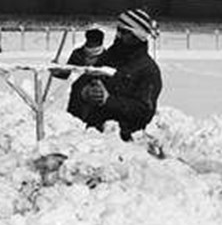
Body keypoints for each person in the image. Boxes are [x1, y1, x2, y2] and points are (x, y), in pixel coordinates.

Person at [63, 9, 162, 142]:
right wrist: (85, 93)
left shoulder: (148, 69)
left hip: (126, 145)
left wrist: (108, 101)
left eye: (125, 32)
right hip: (92, 139)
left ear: (137, 36)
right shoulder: (107, 58)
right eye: (118, 30)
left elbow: (144, 111)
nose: (119, 35)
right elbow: (80, 85)